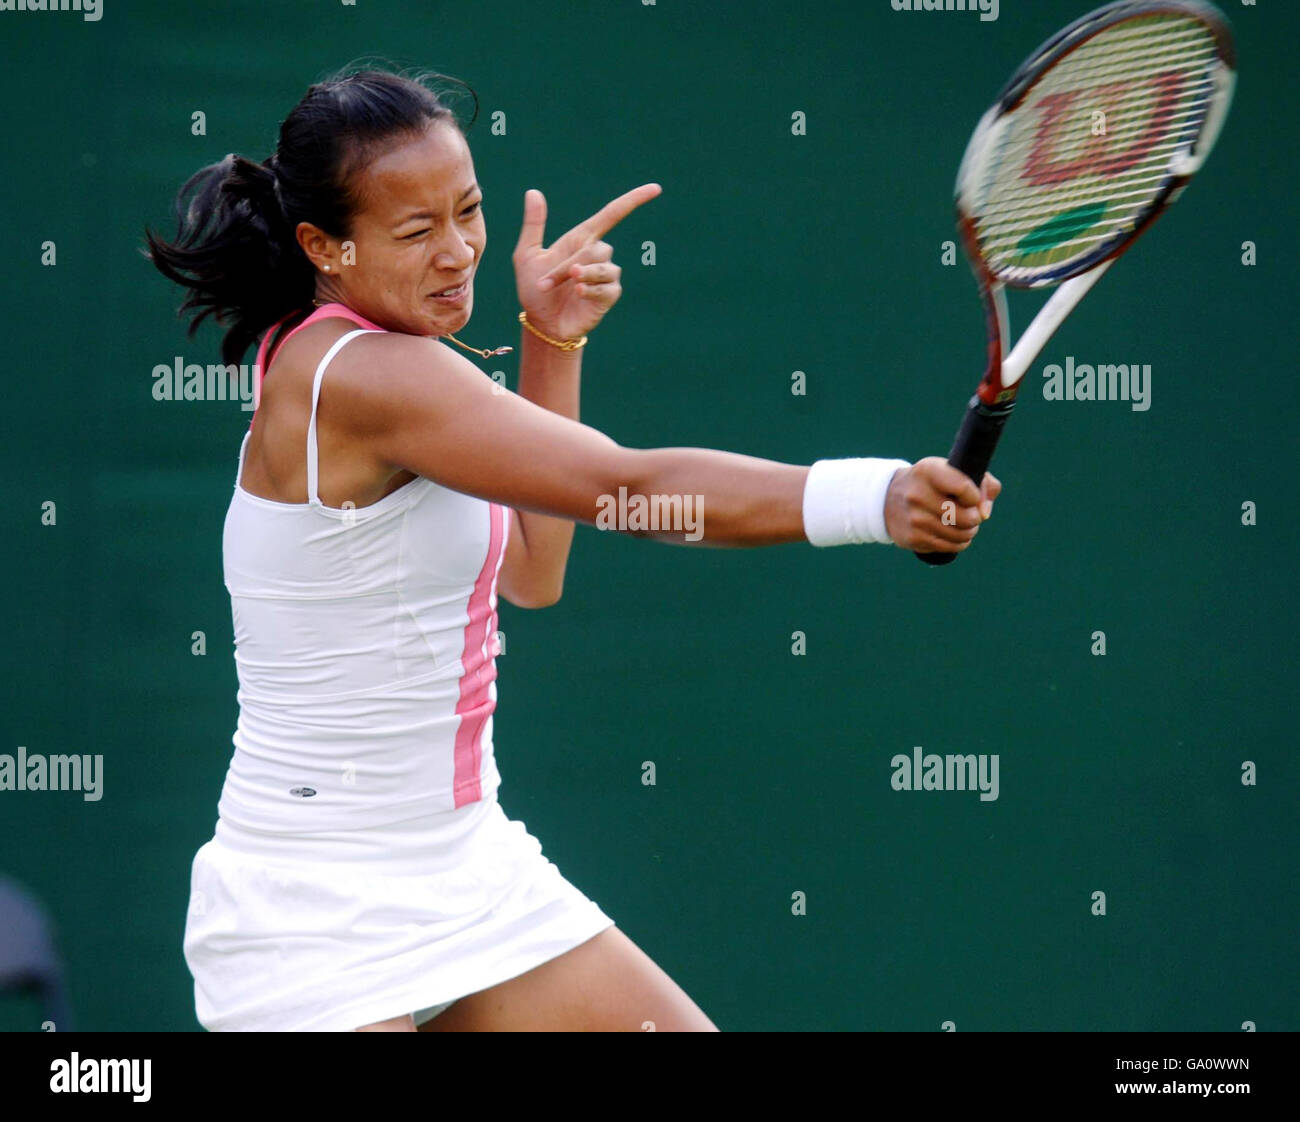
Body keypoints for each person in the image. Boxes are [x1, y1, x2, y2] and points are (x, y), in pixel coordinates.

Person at [146, 66, 1000, 1033]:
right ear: (324, 246)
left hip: (465, 868)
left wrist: (549, 342)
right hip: (311, 907)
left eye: (468, 210)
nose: (460, 250)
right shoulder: (362, 374)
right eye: (417, 231)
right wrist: (874, 497)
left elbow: (532, 573)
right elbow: (623, 490)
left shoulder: (396, 363)